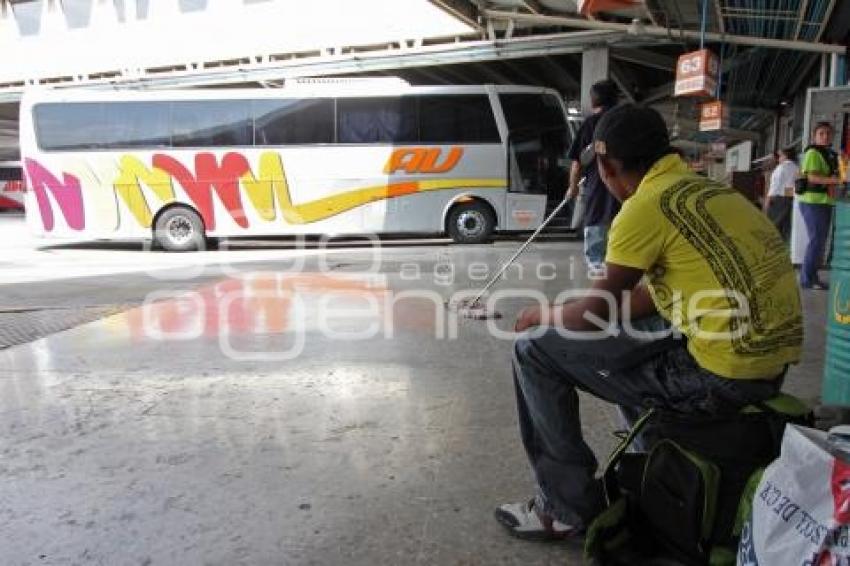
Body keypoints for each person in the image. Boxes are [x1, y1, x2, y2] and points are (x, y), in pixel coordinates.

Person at [494, 104, 803, 540]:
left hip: (718, 379)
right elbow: (644, 300)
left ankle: (563, 509)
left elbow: (595, 313)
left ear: (605, 165)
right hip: (769, 367)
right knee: (629, 344)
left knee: (535, 350)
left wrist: (539, 315)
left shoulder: (645, 207)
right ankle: (654, 465)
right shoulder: (713, 193)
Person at [567, 80, 621, 274]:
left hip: (599, 182)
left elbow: (578, 161)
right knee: (621, 218)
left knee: (596, 216)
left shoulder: (591, 123)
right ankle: (618, 259)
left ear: (593, 100)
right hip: (627, 180)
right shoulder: (625, 120)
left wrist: (572, 186)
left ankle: (597, 263)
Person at [798, 122, 843, 290]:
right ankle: (807, 279)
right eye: (821, 133)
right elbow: (812, 178)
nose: (825, 137)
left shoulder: (830, 154)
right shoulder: (813, 153)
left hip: (825, 201)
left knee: (820, 241)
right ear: (814, 136)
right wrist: (837, 180)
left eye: (828, 134)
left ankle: (812, 277)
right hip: (813, 201)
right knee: (816, 241)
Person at [764, 147, 799, 242]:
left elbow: (775, 185)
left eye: (780, 156)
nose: (778, 158)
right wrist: (788, 195)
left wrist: (768, 200)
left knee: (773, 226)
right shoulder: (797, 168)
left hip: (777, 200)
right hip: (790, 200)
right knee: (785, 227)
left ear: (785, 156)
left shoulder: (781, 168)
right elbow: (795, 186)